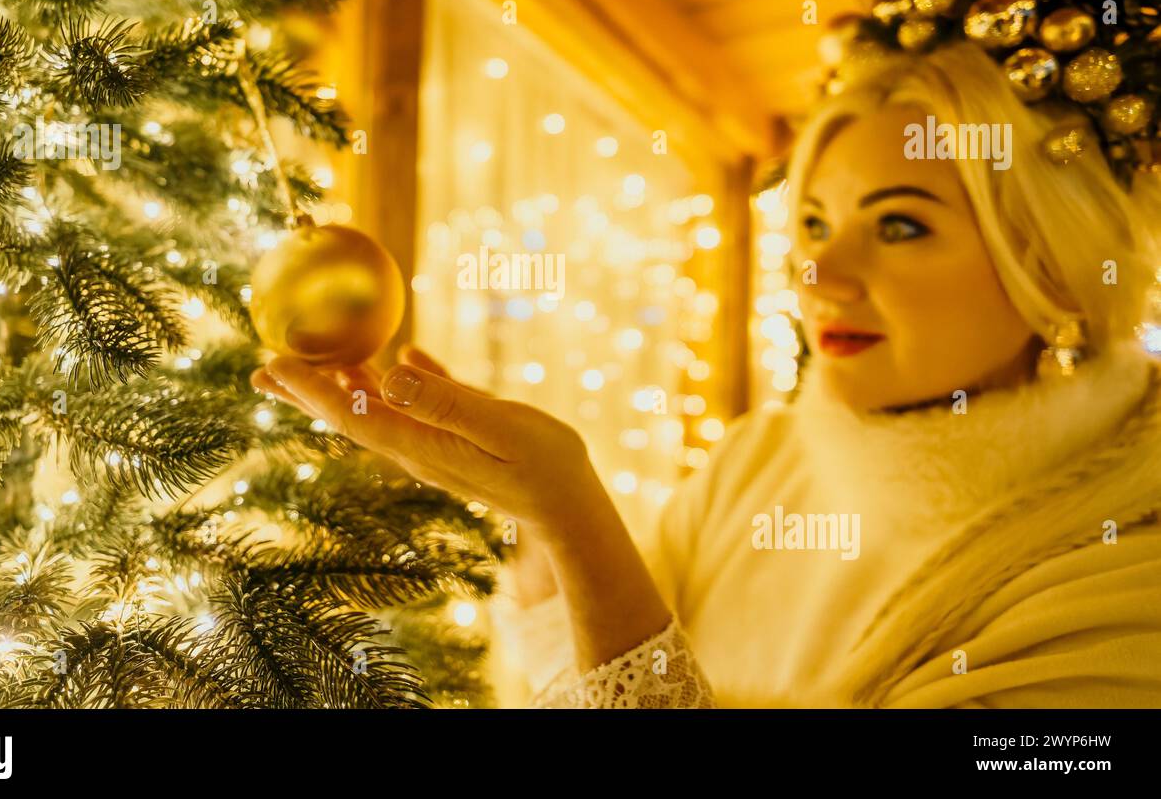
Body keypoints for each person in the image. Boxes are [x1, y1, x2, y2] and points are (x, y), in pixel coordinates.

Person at [251, 37, 1161, 707]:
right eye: (811, 225)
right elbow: (586, 671)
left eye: (899, 225)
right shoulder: (759, 461)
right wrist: (528, 526)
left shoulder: (1126, 570)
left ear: (1046, 269)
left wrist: (578, 520)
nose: (817, 274)